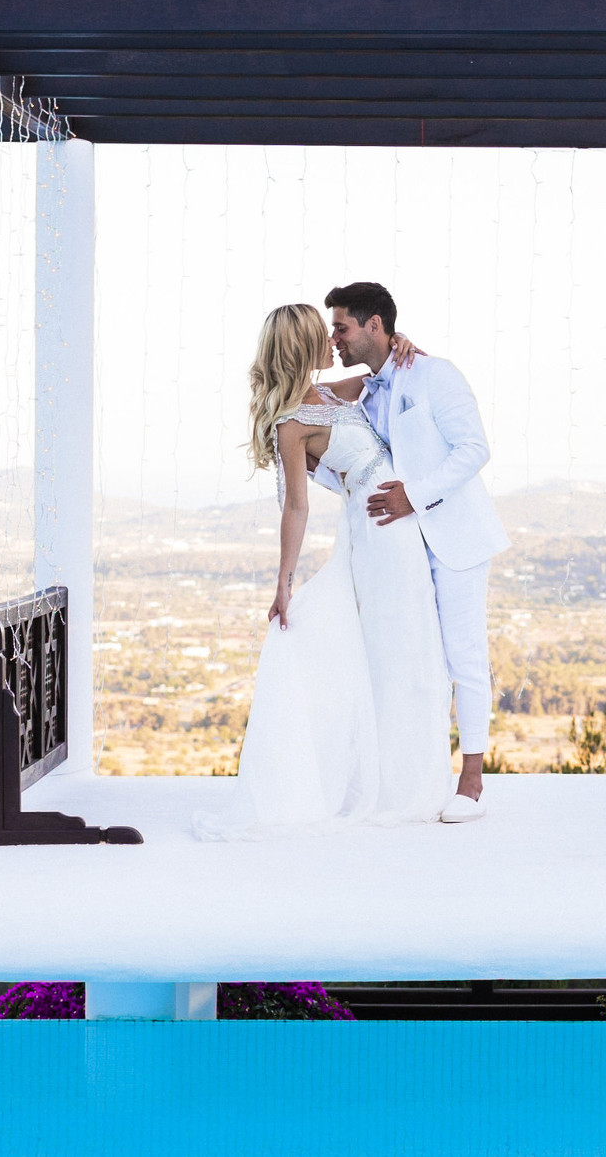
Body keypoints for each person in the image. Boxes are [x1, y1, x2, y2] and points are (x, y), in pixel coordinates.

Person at [194, 304, 451, 840]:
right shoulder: (291, 424)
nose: (333, 340)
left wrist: (400, 341)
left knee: (409, 644)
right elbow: (296, 507)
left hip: (395, 519)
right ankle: (399, 788)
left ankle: (407, 778)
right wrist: (283, 583)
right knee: (400, 644)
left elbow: (387, 372)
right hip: (380, 528)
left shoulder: (333, 393)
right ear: (301, 346)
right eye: (322, 333)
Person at [326, 281, 509, 823]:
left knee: (464, 657)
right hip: (399, 549)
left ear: (374, 326)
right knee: (415, 660)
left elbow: (474, 449)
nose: (335, 339)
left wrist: (415, 495)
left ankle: (472, 782)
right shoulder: (365, 392)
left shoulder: (434, 374)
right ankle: (414, 776)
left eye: (341, 327)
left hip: (454, 537)